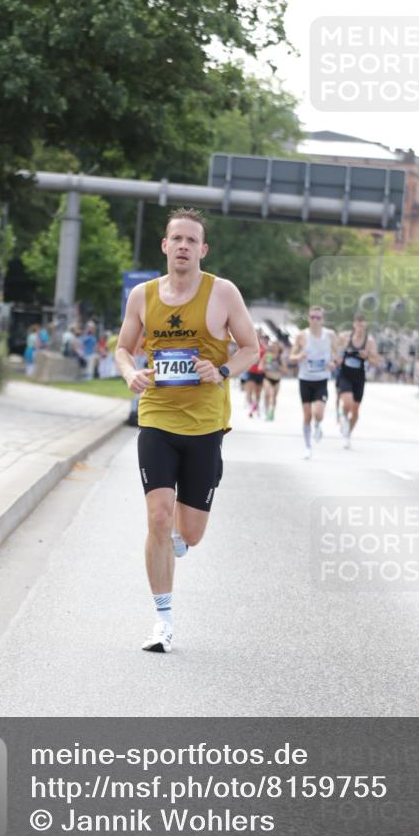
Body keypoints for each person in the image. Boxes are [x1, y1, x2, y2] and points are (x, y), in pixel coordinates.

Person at [115, 207, 258, 653]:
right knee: (158, 515)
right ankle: (163, 621)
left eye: (191, 241)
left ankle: (180, 537)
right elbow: (123, 348)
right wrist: (129, 374)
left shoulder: (223, 293)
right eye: (176, 239)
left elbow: (251, 347)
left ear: (202, 249)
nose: (182, 246)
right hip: (157, 415)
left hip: (204, 425)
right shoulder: (142, 295)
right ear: (164, 245)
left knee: (190, 533)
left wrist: (222, 369)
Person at [288, 306, 338, 459]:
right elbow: (291, 356)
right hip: (305, 379)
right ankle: (308, 446)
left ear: (323, 319)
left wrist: (333, 363)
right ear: (308, 318)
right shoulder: (302, 335)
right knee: (307, 414)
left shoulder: (330, 335)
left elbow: (336, 355)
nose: (315, 320)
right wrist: (299, 357)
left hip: (321, 379)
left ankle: (318, 425)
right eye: (312, 317)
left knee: (318, 413)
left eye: (318, 317)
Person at [336, 314, 379, 449]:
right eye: (357, 323)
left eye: (362, 324)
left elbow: (375, 361)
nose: (360, 327)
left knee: (355, 411)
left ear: (366, 325)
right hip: (345, 375)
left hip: (359, 378)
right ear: (354, 324)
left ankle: (347, 434)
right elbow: (335, 352)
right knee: (347, 402)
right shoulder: (345, 337)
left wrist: (367, 356)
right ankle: (343, 418)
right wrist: (338, 358)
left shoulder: (369, 342)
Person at [263, 340, 285, 420]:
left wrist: (278, 367)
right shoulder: (267, 356)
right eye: (272, 346)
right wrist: (264, 367)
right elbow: (260, 366)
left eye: (275, 347)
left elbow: (286, 370)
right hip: (268, 378)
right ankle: (266, 411)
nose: (274, 348)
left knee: (274, 397)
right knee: (268, 394)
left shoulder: (280, 358)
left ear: (279, 348)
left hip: (277, 379)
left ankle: (272, 412)